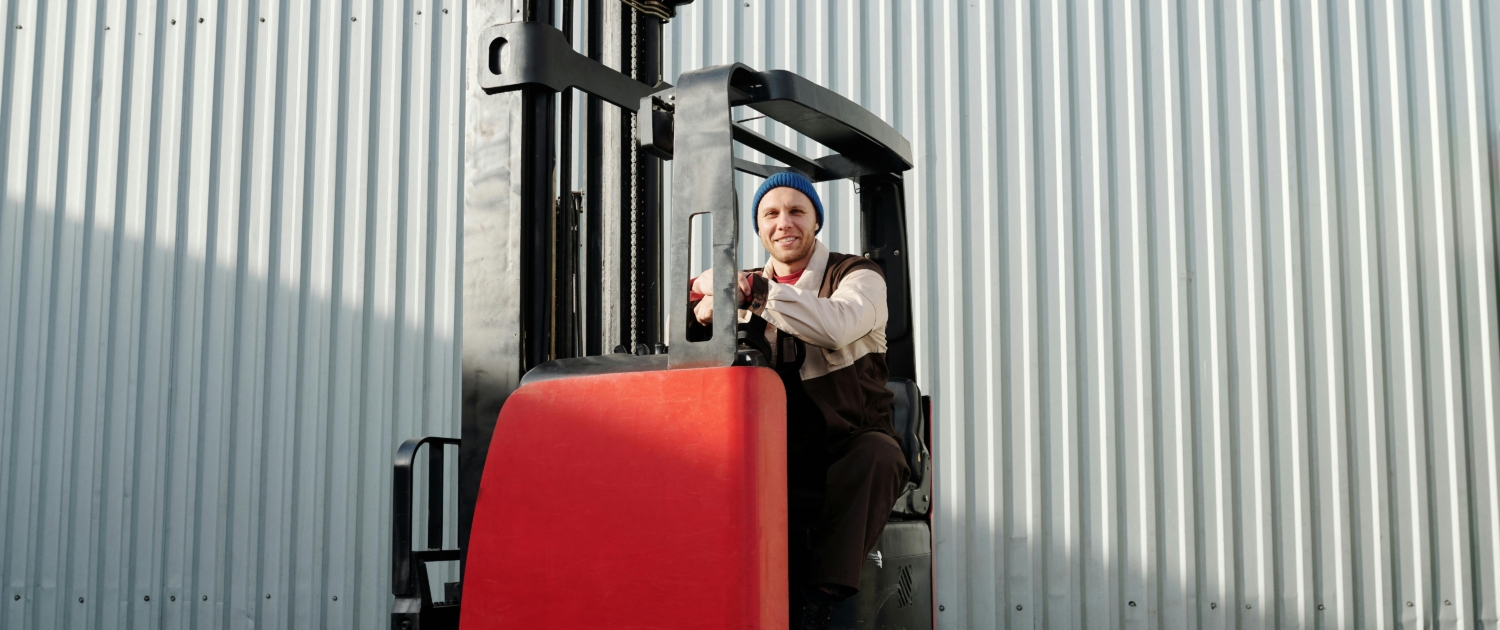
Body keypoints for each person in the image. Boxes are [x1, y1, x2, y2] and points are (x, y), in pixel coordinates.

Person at [686, 171, 909, 630]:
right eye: (771, 213)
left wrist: (752, 293)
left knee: (879, 455)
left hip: (843, 444)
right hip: (771, 450)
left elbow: (836, 324)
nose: (783, 222)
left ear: (815, 221)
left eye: (796, 211)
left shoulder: (857, 277)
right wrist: (697, 313)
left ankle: (819, 599)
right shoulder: (741, 284)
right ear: (759, 227)